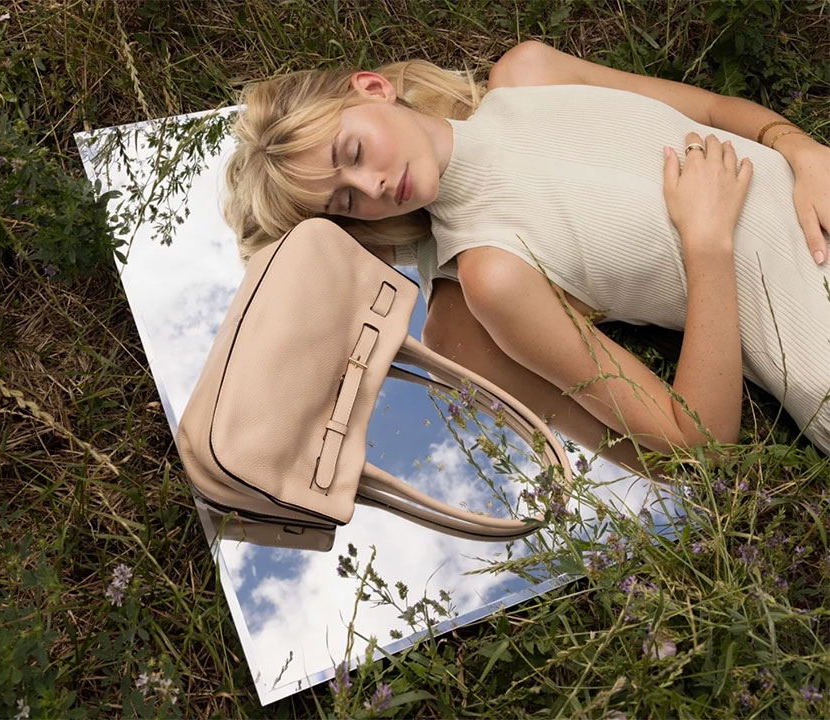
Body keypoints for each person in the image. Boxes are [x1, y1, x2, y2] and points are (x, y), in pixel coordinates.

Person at [222, 41, 830, 457]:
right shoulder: (494, 273)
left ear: (374, 89)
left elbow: (713, 109)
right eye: (347, 201)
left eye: (352, 153)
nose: (372, 185)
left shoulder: (529, 73)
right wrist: (707, 243)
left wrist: (801, 150)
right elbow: (699, 440)